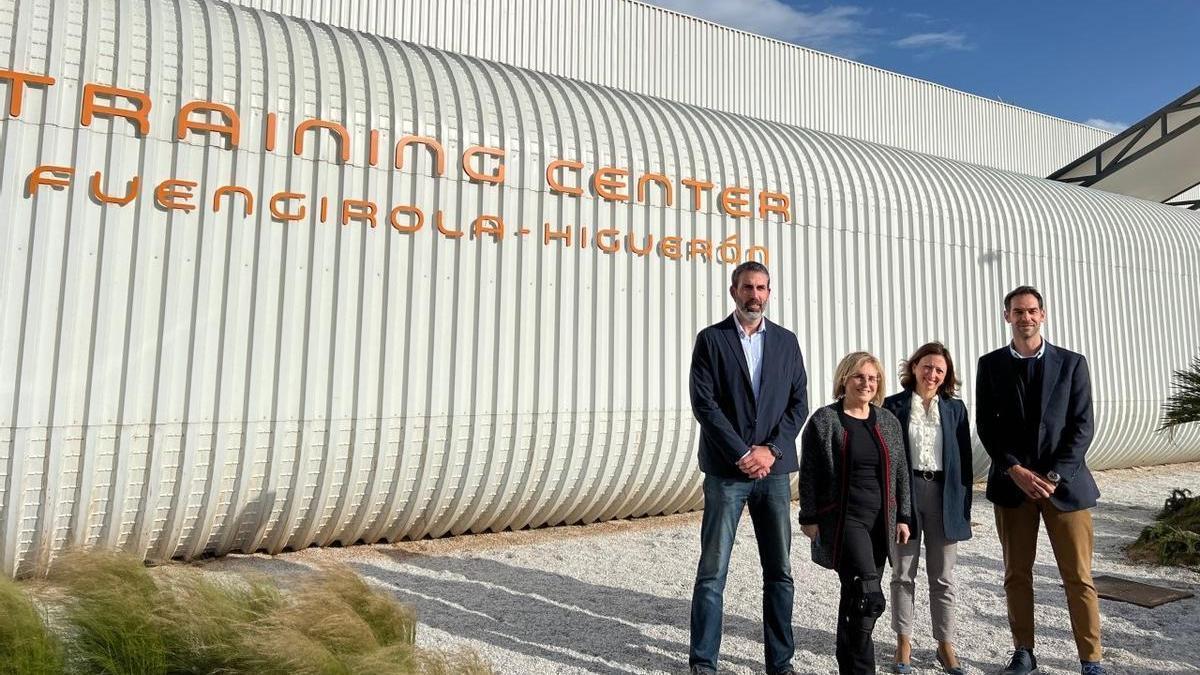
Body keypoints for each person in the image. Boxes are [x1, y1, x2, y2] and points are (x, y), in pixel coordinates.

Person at [687, 261, 809, 675]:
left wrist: (771, 450)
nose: (754, 295)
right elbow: (705, 404)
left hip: (773, 474)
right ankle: (703, 663)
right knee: (712, 572)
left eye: (760, 288)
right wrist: (743, 452)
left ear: (769, 292)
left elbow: (798, 404)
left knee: (780, 572)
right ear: (733, 291)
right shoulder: (712, 340)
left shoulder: (787, 343)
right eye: (746, 287)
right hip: (726, 472)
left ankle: (781, 662)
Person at [976, 285, 1104, 675]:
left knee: (1078, 576)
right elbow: (986, 426)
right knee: (1017, 573)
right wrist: (1014, 469)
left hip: (1064, 486)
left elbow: (1082, 427)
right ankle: (1024, 653)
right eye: (1017, 311)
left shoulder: (1072, 363)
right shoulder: (991, 364)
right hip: (1013, 487)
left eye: (1032, 311)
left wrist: (1051, 476)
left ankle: (1090, 659)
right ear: (1006, 316)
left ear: (1043, 315)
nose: (1025, 317)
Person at [798, 351, 911, 675]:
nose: (866, 383)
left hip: (880, 523)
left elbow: (900, 470)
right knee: (869, 595)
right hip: (845, 520)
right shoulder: (824, 420)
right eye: (859, 376)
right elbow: (810, 472)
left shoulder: (887, 421)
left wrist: (903, 515)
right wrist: (809, 517)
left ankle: (849, 665)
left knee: (854, 600)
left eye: (873, 378)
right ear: (844, 379)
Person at [883, 342, 973, 675]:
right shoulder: (893, 406)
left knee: (943, 577)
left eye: (939, 369)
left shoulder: (955, 410)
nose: (932, 374)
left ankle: (945, 644)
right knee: (902, 574)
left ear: (946, 375)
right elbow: (887, 459)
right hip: (905, 496)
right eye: (927, 366)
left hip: (943, 495)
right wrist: (891, 505)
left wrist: (962, 510)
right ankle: (903, 641)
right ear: (914, 366)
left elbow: (963, 463)